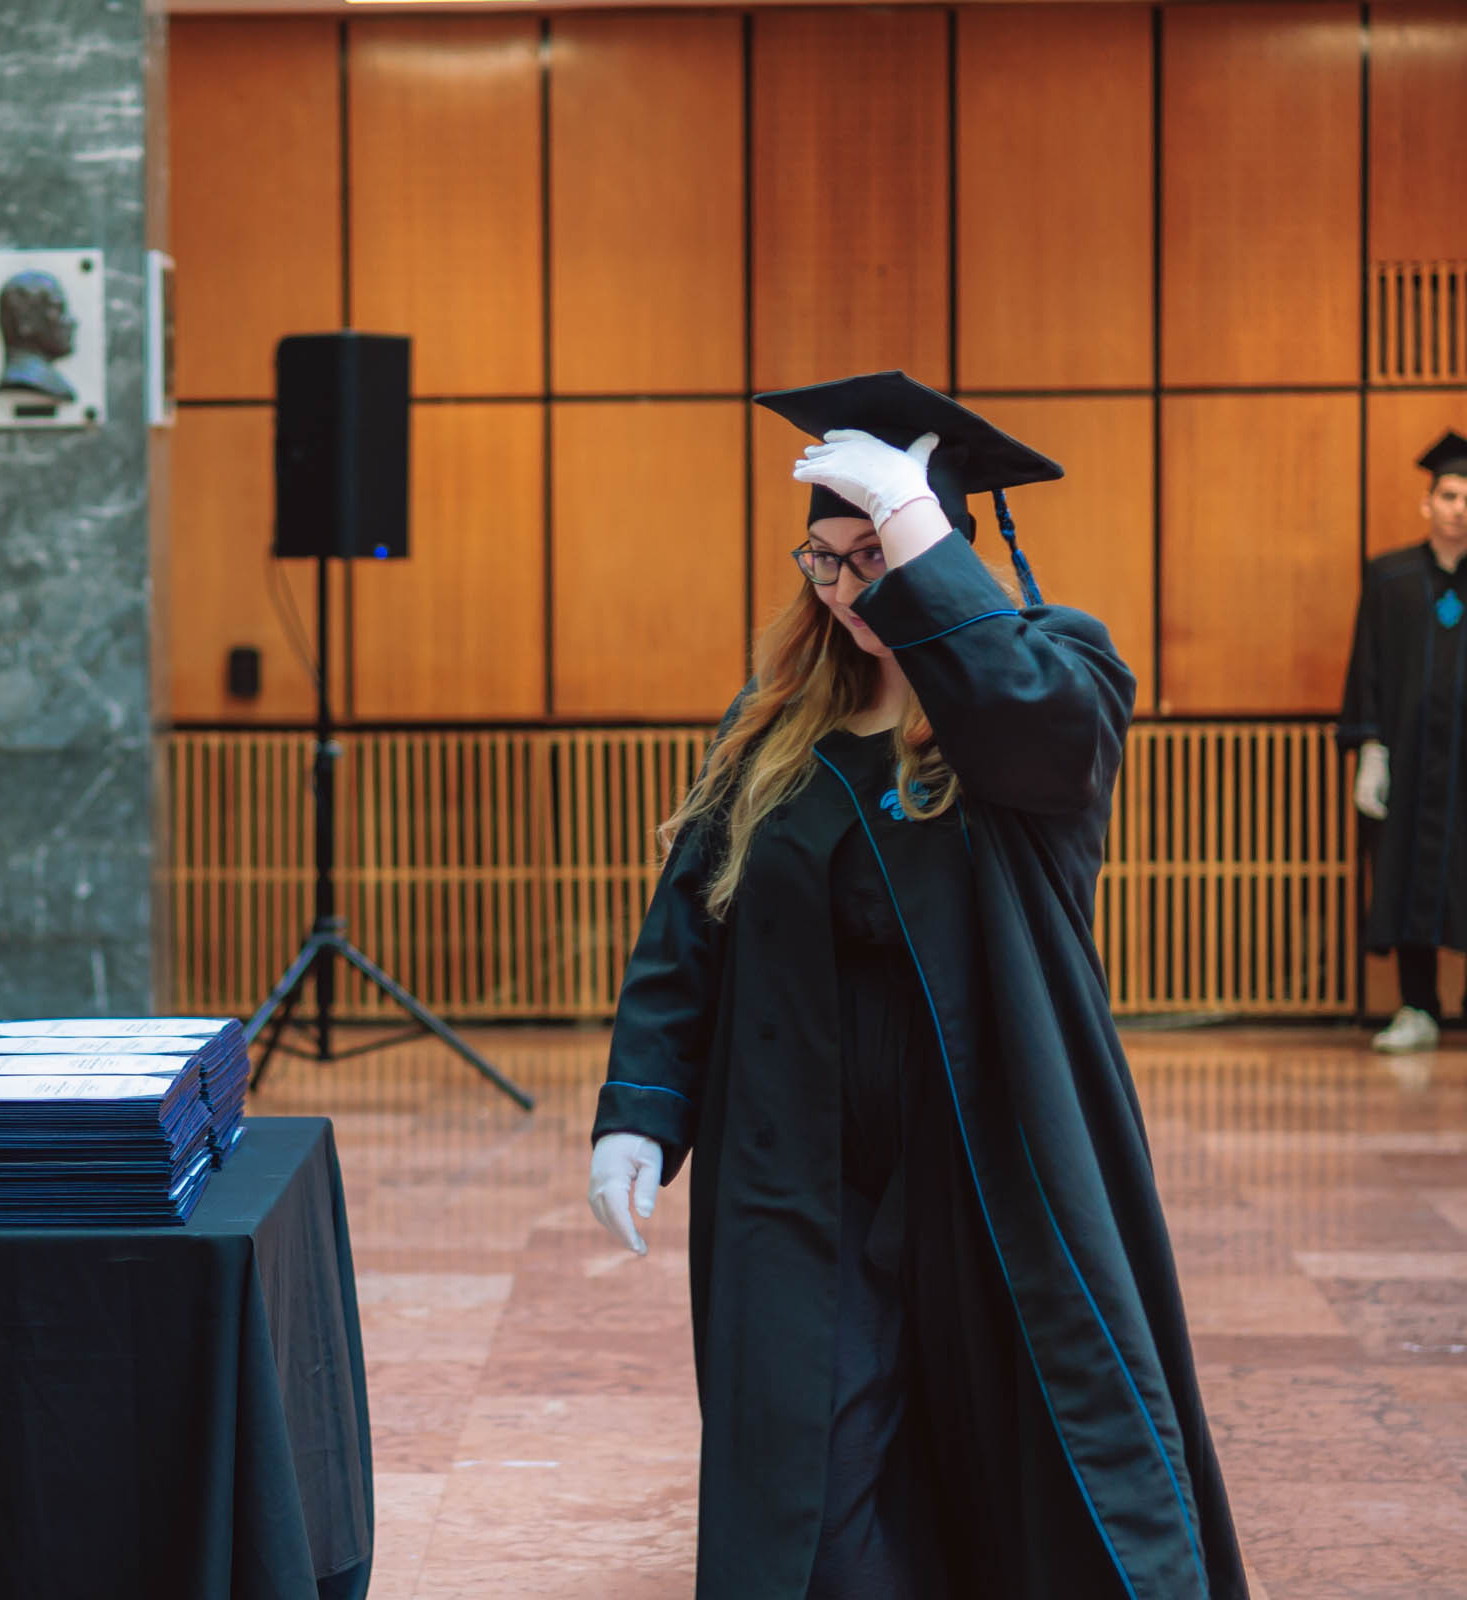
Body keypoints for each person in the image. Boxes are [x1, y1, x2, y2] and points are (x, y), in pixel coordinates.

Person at [587, 371, 1247, 1599]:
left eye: (873, 556)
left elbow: (1036, 732)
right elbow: (692, 924)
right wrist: (641, 1107)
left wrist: (917, 542)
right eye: (825, 562)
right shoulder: (773, 723)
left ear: (932, 543)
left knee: (1016, 1453)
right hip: (804, 1159)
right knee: (820, 1476)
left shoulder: (1050, 674)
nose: (847, 592)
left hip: (984, 1155)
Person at [1341, 429, 1467, 1053]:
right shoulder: (1389, 578)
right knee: (1410, 871)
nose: (1460, 509)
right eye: (1449, 495)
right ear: (1427, 503)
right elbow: (1367, 665)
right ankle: (1418, 1006)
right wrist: (1371, 748)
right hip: (1411, 761)